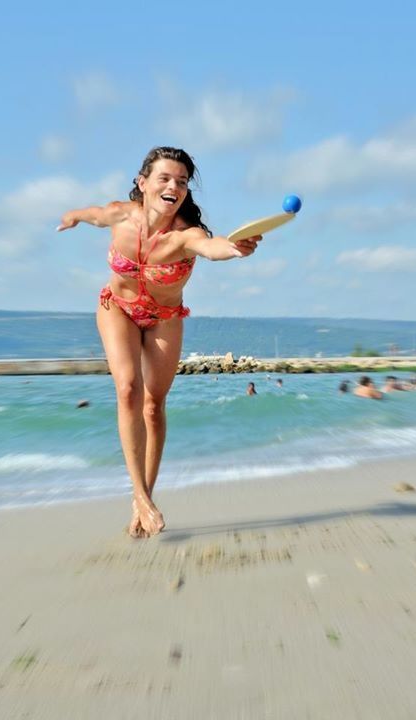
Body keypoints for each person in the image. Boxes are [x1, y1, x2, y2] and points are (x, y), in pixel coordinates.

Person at [58, 146, 261, 538]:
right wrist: (73, 217)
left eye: (182, 181)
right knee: (128, 389)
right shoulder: (122, 214)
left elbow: (212, 247)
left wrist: (236, 248)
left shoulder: (187, 234)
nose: (174, 186)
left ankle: (143, 500)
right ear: (143, 183)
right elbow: (94, 214)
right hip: (117, 307)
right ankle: (141, 495)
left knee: (153, 407)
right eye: (165, 178)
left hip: (164, 318)